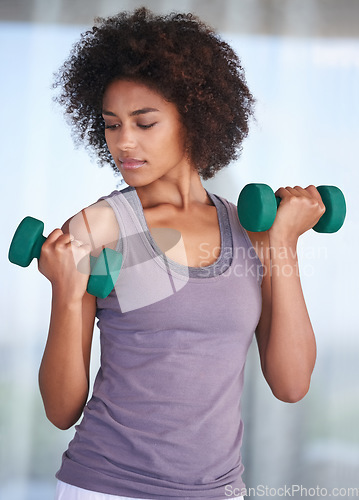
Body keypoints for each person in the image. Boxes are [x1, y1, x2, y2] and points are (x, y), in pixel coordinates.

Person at [38, 7, 323, 500]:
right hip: (106, 487)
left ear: (194, 116)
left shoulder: (251, 230)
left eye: (144, 122)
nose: (123, 142)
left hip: (218, 491)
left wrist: (283, 244)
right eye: (111, 125)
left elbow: (291, 383)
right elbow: (62, 411)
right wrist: (66, 293)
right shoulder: (100, 228)